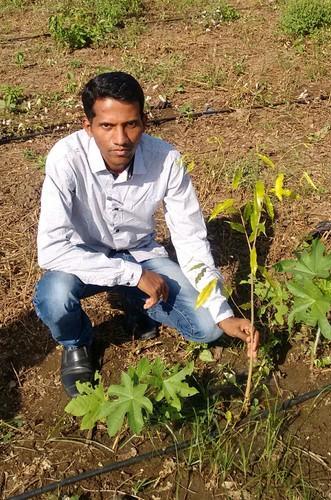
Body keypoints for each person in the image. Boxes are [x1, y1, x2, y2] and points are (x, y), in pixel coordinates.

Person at [33, 72, 259, 398]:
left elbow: (190, 238)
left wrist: (221, 311)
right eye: (107, 126)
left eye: (131, 124)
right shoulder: (66, 158)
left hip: (140, 252)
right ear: (88, 126)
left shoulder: (166, 160)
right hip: (85, 257)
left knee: (207, 327)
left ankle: (136, 302)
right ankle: (77, 343)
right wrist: (135, 275)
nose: (121, 138)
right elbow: (52, 250)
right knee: (54, 296)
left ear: (145, 121)